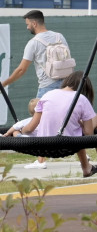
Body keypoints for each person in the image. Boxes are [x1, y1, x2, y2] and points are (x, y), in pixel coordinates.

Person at [20, 71, 97, 178]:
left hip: (44, 145)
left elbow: (31, 127)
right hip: (70, 144)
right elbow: (88, 134)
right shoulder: (82, 99)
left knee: (74, 128)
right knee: (95, 119)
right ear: (85, 89)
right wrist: (81, 123)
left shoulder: (47, 95)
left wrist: (21, 131)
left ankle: (87, 168)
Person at [2, 10, 73, 168]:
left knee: (40, 122)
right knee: (67, 119)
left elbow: (21, 69)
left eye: (27, 24)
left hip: (47, 86)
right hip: (66, 84)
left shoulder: (34, 43)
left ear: (34, 23)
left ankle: (41, 160)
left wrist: (4, 83)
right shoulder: (59, 36)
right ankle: (84, 155)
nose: (27, 27)